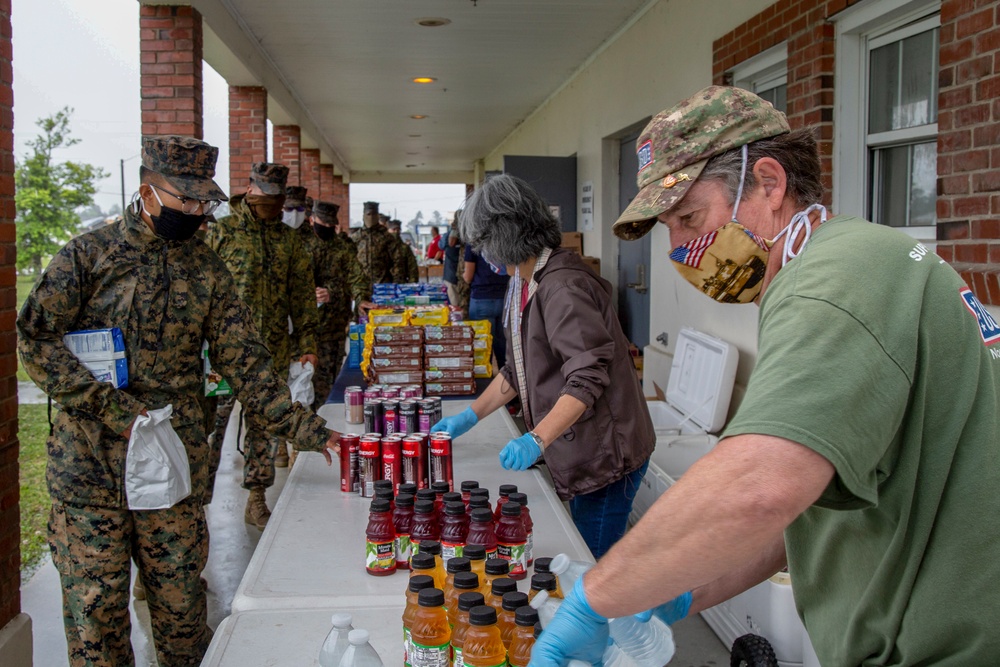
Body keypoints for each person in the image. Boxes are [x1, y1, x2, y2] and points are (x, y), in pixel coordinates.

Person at [529, 86, 1000, 667]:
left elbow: (760, 486)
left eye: (689, 218)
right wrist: (674, 589)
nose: (680, 250)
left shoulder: (833, 282)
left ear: (769, 183)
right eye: (669, 230)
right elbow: (802, 506)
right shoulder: (846, 262)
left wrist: (596, 599)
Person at [16, 136, 342, 667]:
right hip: (90, 468)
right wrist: (108, 406)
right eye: (183, 200)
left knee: (183, 616)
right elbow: (35, 338)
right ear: (147, 191)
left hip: (171, 466)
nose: (194, 211)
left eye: (201, 202)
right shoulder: (88, 256)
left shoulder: (205, 268)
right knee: (95, 619)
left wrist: (307, 429)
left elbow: (246, 362)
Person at [433, 174, 654, 559]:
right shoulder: (524, 280)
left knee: (593, 563)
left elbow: (586, 376)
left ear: (504, 236)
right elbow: (519, 369)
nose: (483, 254)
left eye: (484, 244)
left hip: (606, 454)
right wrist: (470, 415)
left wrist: (536, 438)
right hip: (581, 448)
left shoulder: (563, 286)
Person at [205, 162, 320, 525]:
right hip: (220, 356)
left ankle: (256, 497)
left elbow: (302, 296)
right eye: (266, 198)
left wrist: (307, 341)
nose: (272, 206)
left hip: (268, 353)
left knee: (263, 429)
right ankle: (195, 509)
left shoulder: (289, 241)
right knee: (209, 431)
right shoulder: (220, 233)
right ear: (250, 191)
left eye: (278, 201)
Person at [305, 199, 372, 408]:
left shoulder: (342, 247)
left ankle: (323, 424)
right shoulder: (299, 245)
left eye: (329, 225)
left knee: (329, 380)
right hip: (304, 327)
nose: (325, 228)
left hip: (333, 326)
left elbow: (357, 278)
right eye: (321, 223)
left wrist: (359, 298)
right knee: (302, 383)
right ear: (311, 219)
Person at [462, 243, 509, 370]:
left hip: (481, 299)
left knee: (482, 347)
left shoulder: (473, 242)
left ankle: (486, 383)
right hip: (505, 298)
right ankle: (507, 381)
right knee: (504, 345)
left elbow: (468, 276)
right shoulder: (504, 237)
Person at [352, 201, 397, 287]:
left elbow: (397, 262)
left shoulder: (387, 237)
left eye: (374, 214)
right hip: (361, 286)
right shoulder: (356, 237)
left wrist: (397, 284)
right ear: (364, 216)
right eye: (368, 214)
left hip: (383, 285)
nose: (371, 217)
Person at [387, 218, 420, 282]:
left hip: (401, 284)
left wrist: (412, 285)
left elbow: (412, 269)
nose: (396, 232)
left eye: (398, 229)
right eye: (394, 229)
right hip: (385, 285)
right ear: (388, 230)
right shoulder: (383, 247)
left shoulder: (405, 248)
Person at [442, 211, 463, 307]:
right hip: (463, 276)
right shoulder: (468, 234)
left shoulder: (447, 235)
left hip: (451, 275)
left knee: (455, 308)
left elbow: (441, 245)